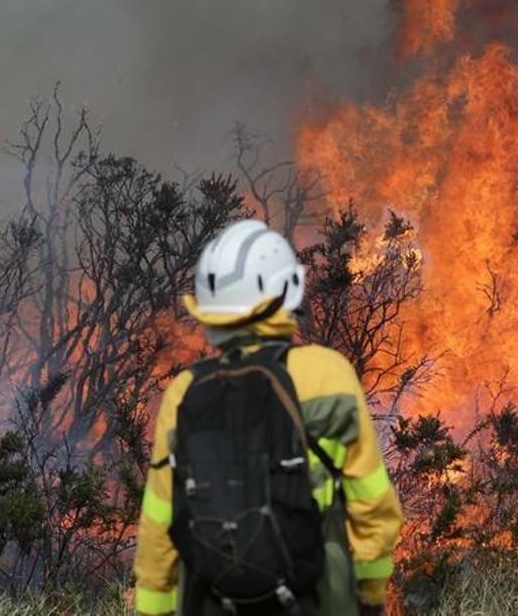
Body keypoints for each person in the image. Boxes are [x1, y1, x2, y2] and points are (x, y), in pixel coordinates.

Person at [134, 219, 403, 616]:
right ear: (289, 291)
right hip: (315, 598)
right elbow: (373, 506)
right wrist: (369, 594)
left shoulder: (184, 393)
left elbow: (160, 521)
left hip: (212, 600)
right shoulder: (329, 377)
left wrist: (152, 609)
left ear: (208, 313)